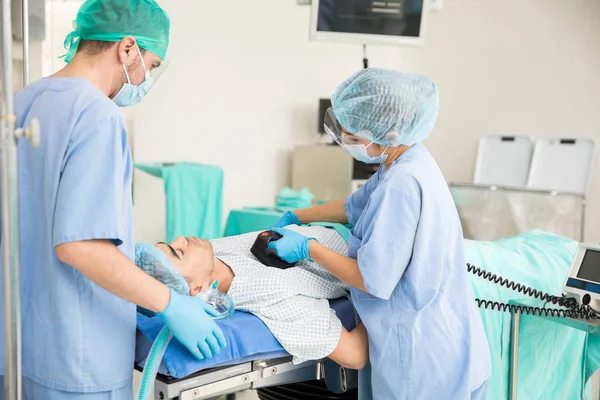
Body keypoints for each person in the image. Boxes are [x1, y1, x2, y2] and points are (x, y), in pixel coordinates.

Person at [0, 1, 225, 399]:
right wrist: (171, 303)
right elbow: (81, 246)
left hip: (17, 349)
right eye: (152, 64)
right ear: (126, 48)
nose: (148, 77)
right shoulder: (96, 115)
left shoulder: (19, 103)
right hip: (77, 356)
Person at [268, 69, 491, 399]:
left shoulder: (401, 185)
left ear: (388, 132)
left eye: (354, 138)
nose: (349, 144)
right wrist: (297, 215)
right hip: (451, 341)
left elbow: (372, 279)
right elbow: (354, 205)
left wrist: (308, 248)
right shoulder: (408, 161)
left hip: (420, 360)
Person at [136, 225, 369, 370]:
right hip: (370, 259)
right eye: (178, 252)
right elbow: (354, 355)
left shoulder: (212, 253)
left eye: (168, 244)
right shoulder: (270, 295)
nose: (180, 238)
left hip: (354, 222)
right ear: (197, 289)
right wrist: (393, 298)